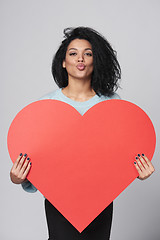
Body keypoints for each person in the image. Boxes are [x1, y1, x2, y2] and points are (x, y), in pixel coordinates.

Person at [10, 27, 155, 240]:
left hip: (100, 201)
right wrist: (18, 177)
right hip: (59, 200)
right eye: (73, 53)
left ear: (96, 61)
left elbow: (122, 154)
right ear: (63, 61)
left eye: (88, 53)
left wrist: (139, 170)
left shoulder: (112, 104)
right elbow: (38, 157)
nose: (80, 58)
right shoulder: (46, 106)